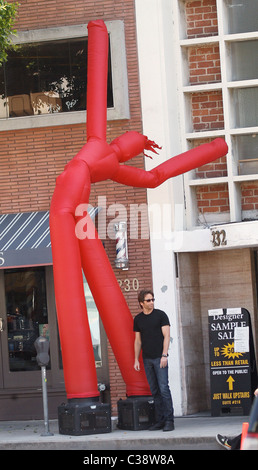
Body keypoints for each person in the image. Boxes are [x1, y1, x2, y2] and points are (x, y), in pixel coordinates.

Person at [133, 289, 175, 431]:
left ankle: (169, 421)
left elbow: (167, 336)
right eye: (148, 300)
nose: (152, 302)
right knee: (155, 391)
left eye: (153, 299)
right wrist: (136, 360)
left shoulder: (161, 315)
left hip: (159, 358)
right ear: (141, 303)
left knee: (164, 389)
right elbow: (138, 341)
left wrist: (164, 355)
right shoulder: (138, 319)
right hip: (147, 359)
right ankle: (160, 420)